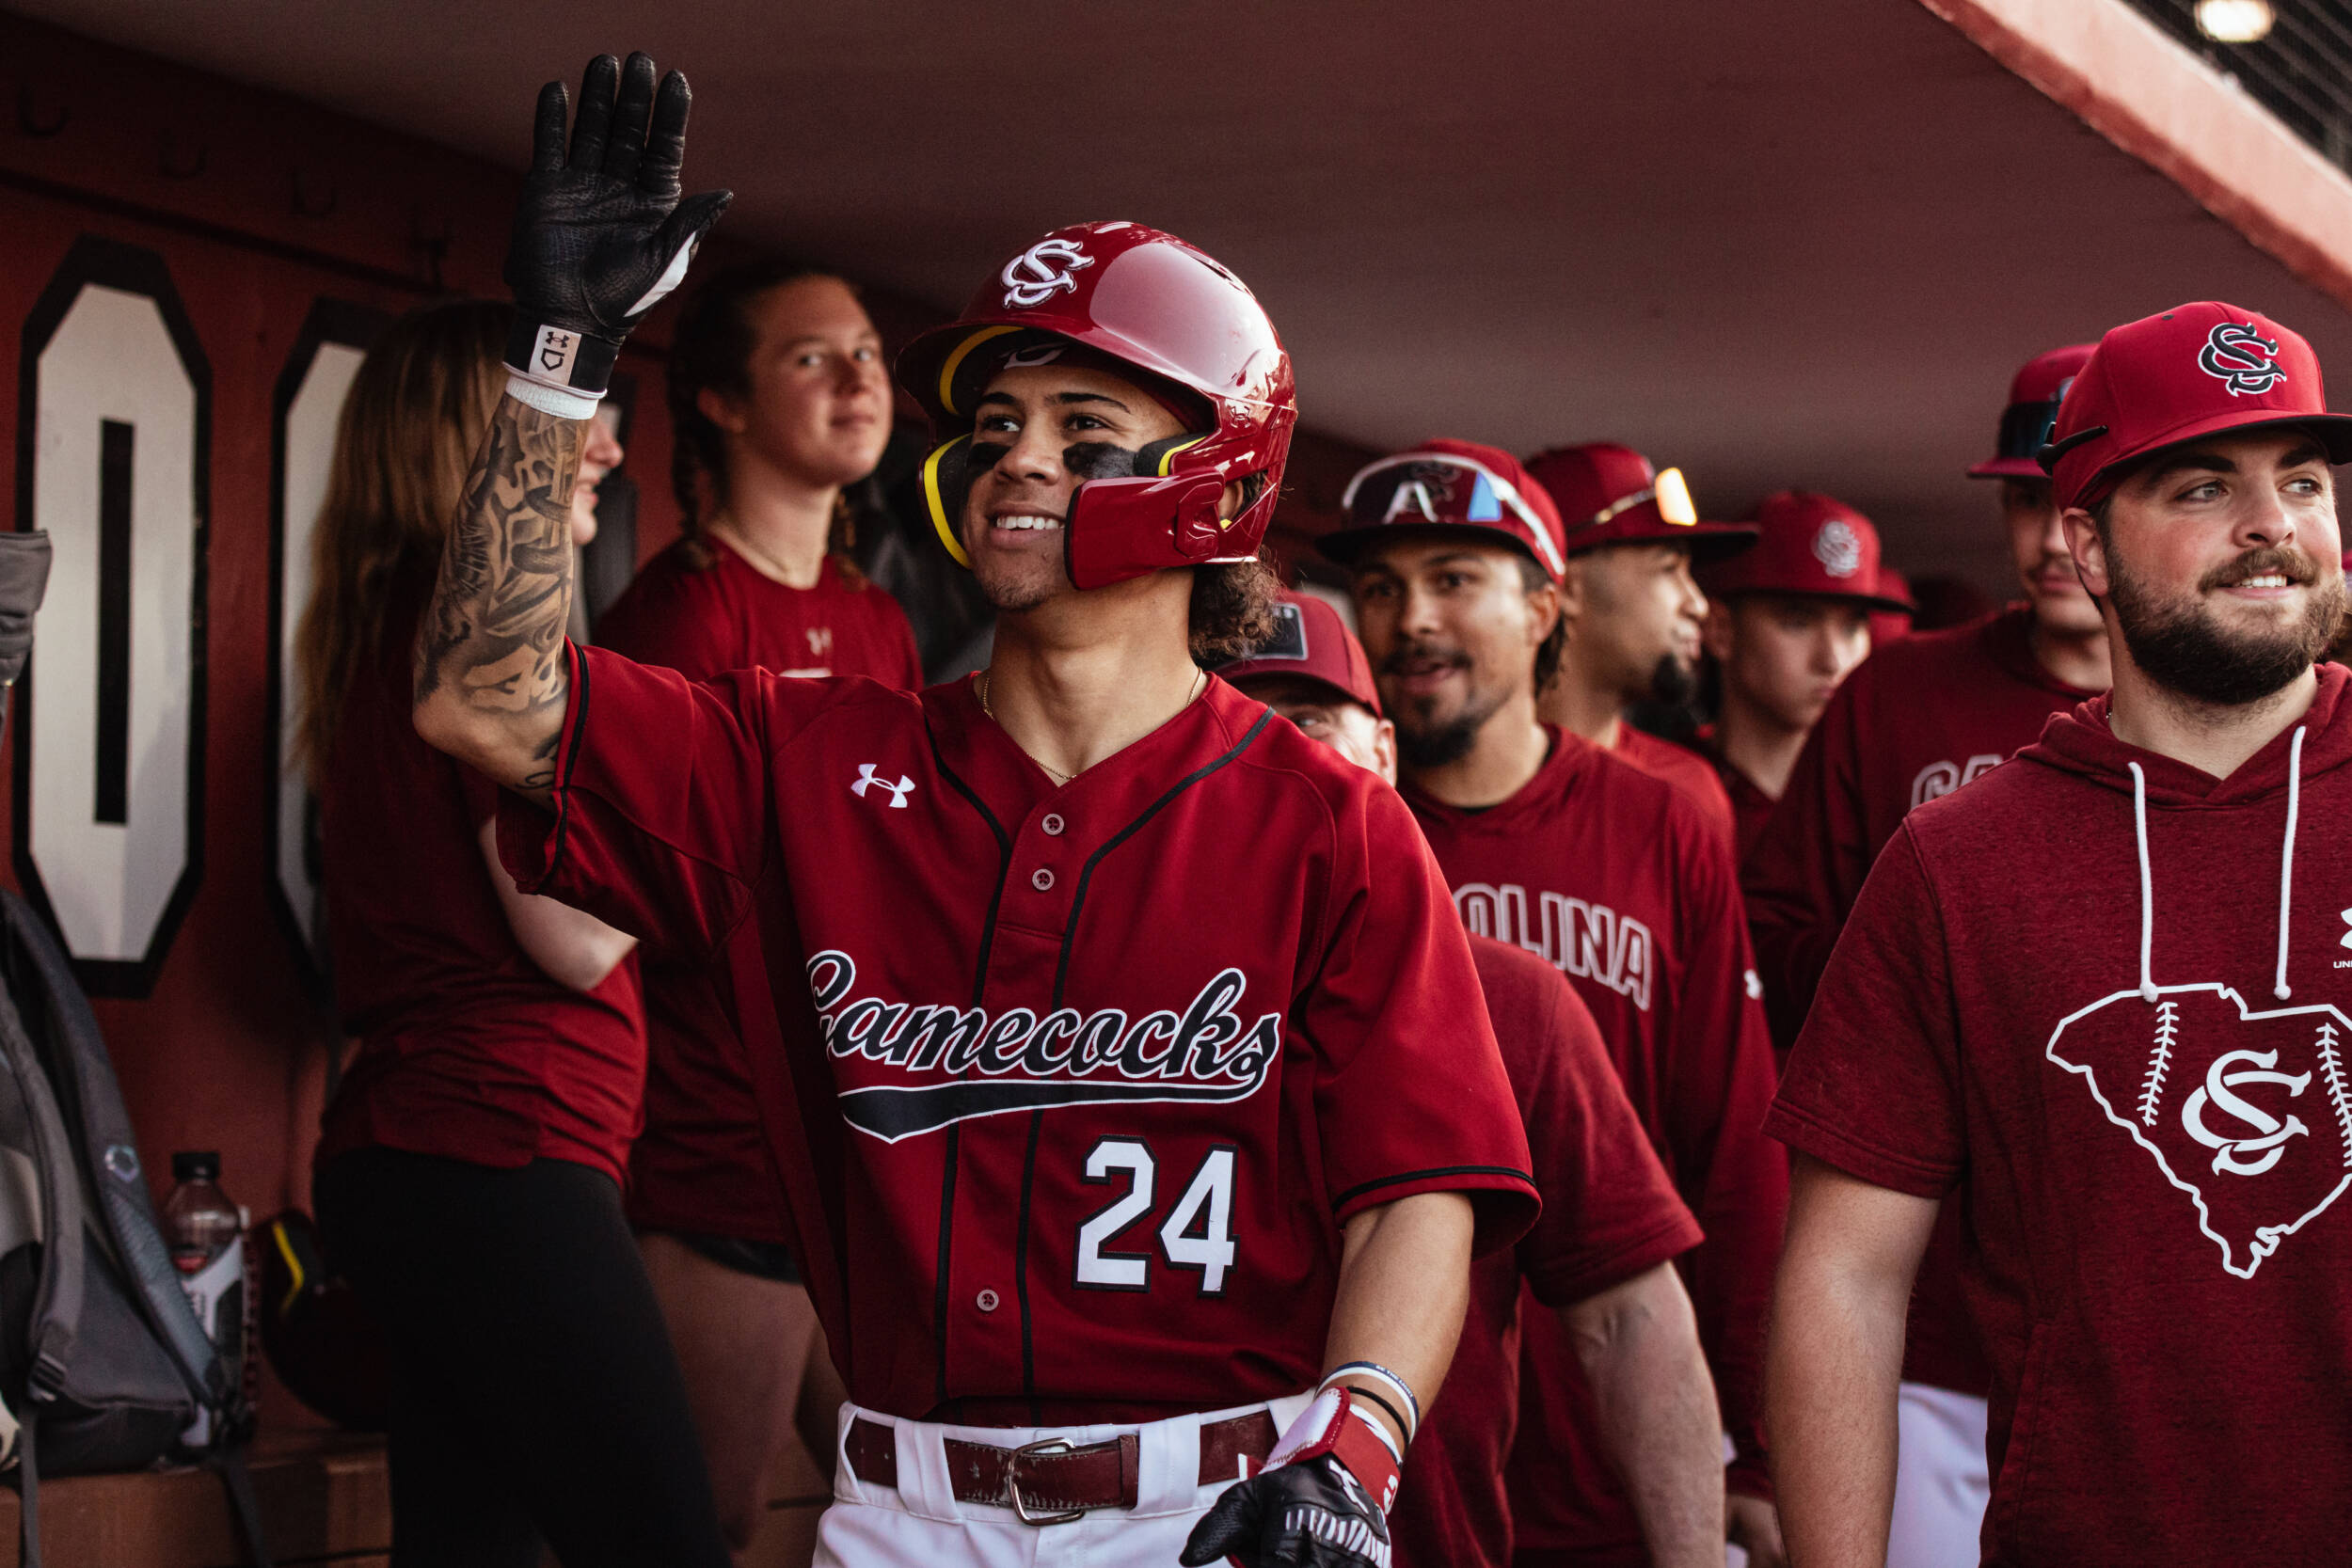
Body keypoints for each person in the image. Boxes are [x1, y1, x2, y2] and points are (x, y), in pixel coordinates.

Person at [412, 55, 1539, 1568]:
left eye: (1085, 425)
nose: (1019, 455)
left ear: (1216, 480)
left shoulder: (1329, 825)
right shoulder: (804, 757)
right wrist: (562, 355)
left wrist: (1355, 1445)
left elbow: (1417, 1191)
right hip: (905, 1509)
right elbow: (481, 699)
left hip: (1216, 1504)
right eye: (1000, 422)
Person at [1768, 300, 2352, 1566]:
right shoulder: (1957, 863)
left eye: (2302, 479)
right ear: (2085, 544)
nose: (2273, 524)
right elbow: (1844, 1276)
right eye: (2206, 485)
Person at [294, 298, 729, 1568]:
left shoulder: (388, 621)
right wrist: (708, 833)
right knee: (663, 1546)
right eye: (571, 414)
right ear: (478, 441)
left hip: (412, 1153)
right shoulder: (483, 632)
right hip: (499, 1145)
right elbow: (573, 937)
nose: (607, 446)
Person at [1322, 438, 1789, 1568]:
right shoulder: (1330, 845)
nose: (1410, 619)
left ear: (1544, 606)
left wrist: (1755, 1447)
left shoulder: (1664, 824)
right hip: (1391, 1460)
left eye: (1452, 579)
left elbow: (1733, 1146)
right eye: (1381, 587)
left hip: (1605, 1451)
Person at [1216, 592, 1724, 1568]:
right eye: (1239, 724)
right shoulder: (1110, 1003)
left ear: (1384, 754)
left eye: (1310, 721)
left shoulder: (1510, 999)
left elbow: (1630, 1319)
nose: (1274, 755)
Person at [1739, 345, 2113, 1567]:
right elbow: (1776, 933)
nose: (2050, 535)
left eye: (2077, 495)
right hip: (1921, 1317)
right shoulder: (1897, 692)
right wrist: (1944, 982)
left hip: (2129, 1321)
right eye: (2023, 499)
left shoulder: (2213, 716)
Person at [592, 259, 920, 1552]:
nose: (857, 379)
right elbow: (636, 892)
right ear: (722, 404)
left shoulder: (878, 619)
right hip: (723, 1144)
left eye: (869, 353)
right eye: (811, 356)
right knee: (703, 1524)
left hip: (867, 1147)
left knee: (931, 1518)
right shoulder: (675, 617)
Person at [1521, 442, 1758, 848]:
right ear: (1569, 588)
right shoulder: (1457, 780)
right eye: (1669, 569)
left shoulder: (1688, 791)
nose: (1698, 604)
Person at [1687, 491, 1907, 862]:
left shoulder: (1886, 807)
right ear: (1720, 630)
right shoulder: (1668, 791)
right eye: (1798, 622)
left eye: (1852, 627)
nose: (1833, 660)